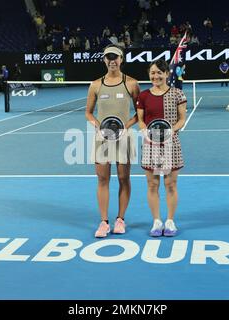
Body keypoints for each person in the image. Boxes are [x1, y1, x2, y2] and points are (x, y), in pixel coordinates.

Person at [85, 44, 140, 238]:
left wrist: (126, 126)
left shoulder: (132, 83)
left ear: (121, 59)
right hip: (102, 139)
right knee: (102, 179)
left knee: (124, 179)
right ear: (104, 60)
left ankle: (120, 219)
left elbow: (139, 113)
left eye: (115, 57)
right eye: (108, 57)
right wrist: (98, 125)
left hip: (124, 139)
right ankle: (104, 222)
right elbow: (88, 113)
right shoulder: (96, 85)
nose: (112, 60)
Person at [136, 59, 187, 237]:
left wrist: (169, 131)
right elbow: (141, 120)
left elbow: (182, 119)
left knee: (170, 184)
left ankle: (170, 221)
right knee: (152, 184)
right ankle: (156, 221)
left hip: (171, 144)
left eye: (159, 72)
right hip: (151, 145)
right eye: (152, 72)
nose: (155, 76)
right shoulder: (143, 96)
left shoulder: (178, 94)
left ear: (166, 74)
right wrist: (144, 132)